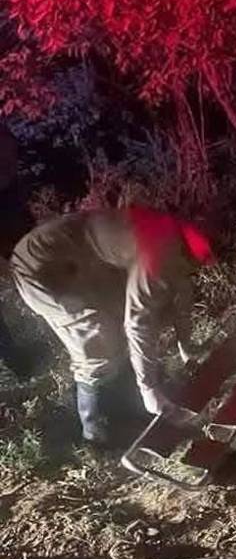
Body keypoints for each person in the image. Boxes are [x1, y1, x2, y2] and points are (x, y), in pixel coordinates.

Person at [9, 206, 215, 448]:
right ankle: (97, 435)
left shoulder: (177, 236)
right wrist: (149, 388)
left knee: (117, 320)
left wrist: (186, 344)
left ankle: (130, 408)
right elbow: (138, 323)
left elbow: (181, 290)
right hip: (40, 269)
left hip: (80, 260)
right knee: (96, 344)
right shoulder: (156, 257)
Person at [0, 124, 35, 379]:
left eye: (12, 158)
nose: (10, 165)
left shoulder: (12, 187)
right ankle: (15, 361)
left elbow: (22, 220)